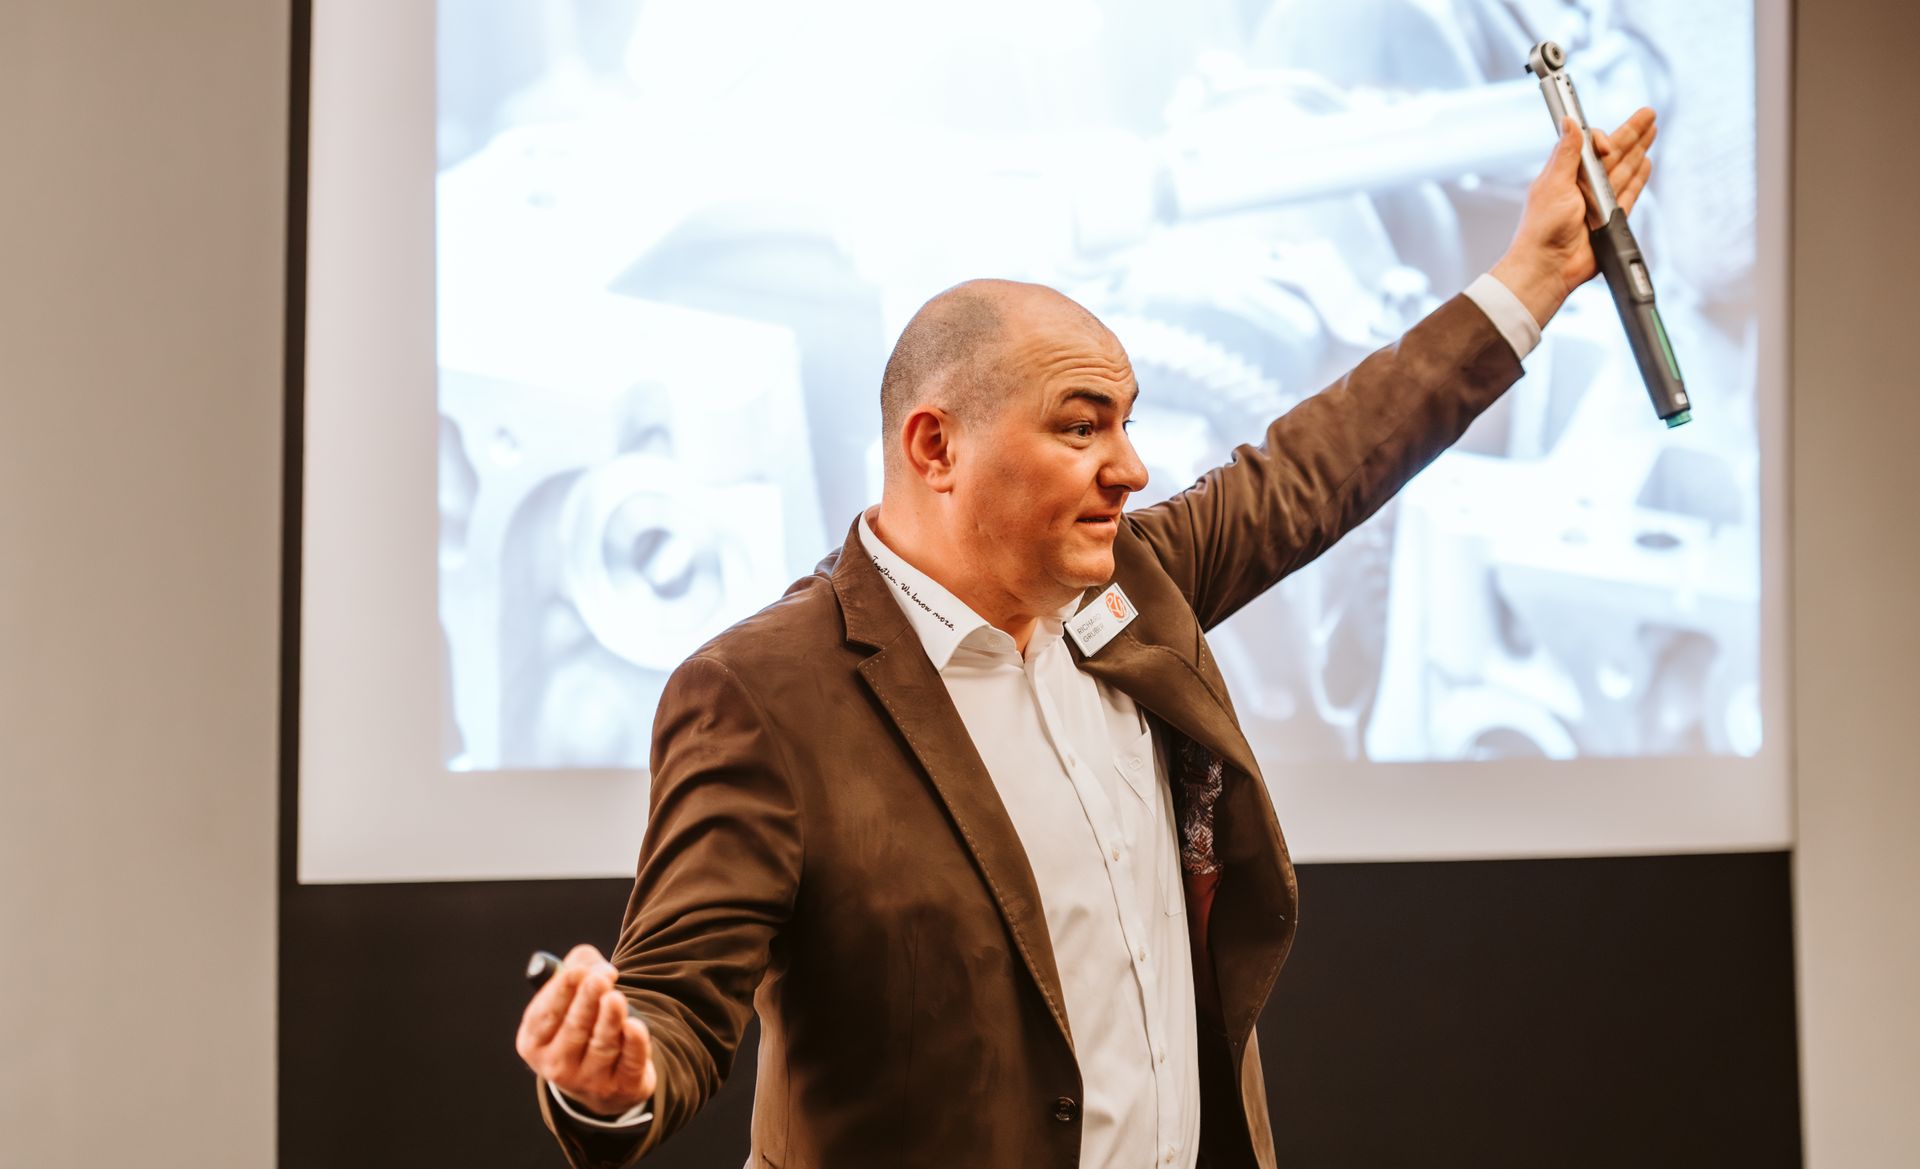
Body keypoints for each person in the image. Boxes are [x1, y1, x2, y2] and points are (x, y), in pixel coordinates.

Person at [514, 111, 1657, 1169]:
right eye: (1081, 426)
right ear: (934, 447)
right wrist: (614, 1079)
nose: (1132, 466)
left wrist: (1533, 274)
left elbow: (1327, 461)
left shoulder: (1139, 583)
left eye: (1127, 421)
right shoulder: (763, 692)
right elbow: (672, 1001)